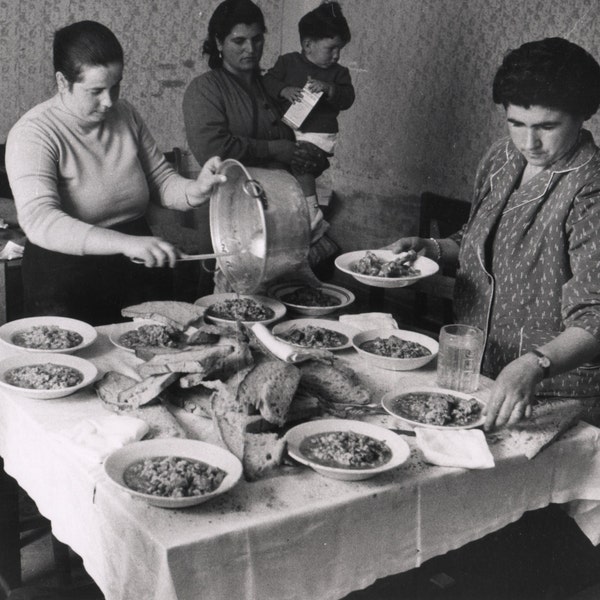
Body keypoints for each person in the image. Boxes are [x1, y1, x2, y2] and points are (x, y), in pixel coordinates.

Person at [387, 37, 600, 431]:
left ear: (583, 115)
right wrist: (431, 249)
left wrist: (537, 364)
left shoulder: (591, 187)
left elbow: (596, 316)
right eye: (516, 123)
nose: (528, 142)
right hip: (482, 371)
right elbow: (479, 242)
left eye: (547, 126)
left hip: (559, 393)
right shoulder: (501, 158)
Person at [6, 21, 226, 326]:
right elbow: (41, 221)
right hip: (65, 274)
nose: (109, 101)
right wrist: (125, 243)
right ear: (62, 82)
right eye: (95, 91)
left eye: (116, 85)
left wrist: (195, 190)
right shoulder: (34, 133)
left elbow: (161, 181)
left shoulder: (125, 114)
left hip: (137, 263)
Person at [182, 0, 338, 284]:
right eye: (238, 41)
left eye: (257, 40)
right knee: (238, 301)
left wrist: (306, 156)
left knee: (284, 300)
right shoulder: (205, 89)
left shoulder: (272, 87)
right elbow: (213, 150)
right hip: (231, 216)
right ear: (219, 42)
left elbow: (293, 135)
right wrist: (277, 149)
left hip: (279, 213)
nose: (250, 49)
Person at [263, 1, 354, 238]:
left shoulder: (338, 73)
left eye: (340, 49)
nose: (337, 55)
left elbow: (347, 98)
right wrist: (283, 90)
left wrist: (329, 88)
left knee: (301, 158)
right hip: (289, 129)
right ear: (307, 45)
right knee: (278, 165)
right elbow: (267, 83)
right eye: (331, 48)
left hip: (317, 136)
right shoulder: (287, 62)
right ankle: (290, 218)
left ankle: (312, 213)